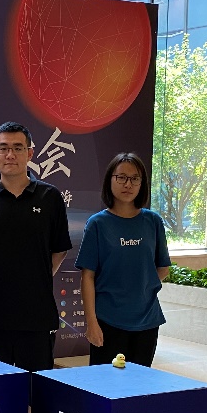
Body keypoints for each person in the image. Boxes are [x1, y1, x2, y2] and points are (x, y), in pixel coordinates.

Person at [0, 121, 71, 371]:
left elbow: (59, 248)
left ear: (30, 153)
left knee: (35, 389)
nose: (10, 155)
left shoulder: (50, 197)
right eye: (3, 148)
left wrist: (36, 276)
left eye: (17, 148)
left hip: (36, 316)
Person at [76, 152, 170, 367]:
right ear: (110, 180)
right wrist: (91, 322)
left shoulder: (153, 221)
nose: (128, 184)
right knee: (104, 383)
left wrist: (141, 288)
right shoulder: (97, 224)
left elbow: (163, 268)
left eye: (134, 178)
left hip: (147, 321)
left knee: (139, 383)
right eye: (121, 177)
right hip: (108, 320)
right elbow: (87, 276)